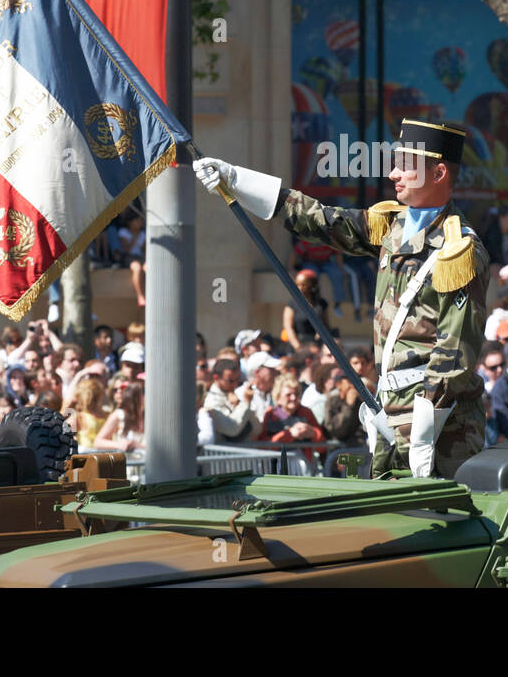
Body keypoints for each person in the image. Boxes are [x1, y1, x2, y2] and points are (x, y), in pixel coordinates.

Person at [194, 118, 489, 478]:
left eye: (406, 165)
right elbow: (322, 221)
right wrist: (238, 182)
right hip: (390, 408)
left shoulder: (459, 250)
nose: (394, 173)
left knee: (440, 522)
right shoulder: (392, 226)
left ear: (439, 173)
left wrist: (426, 426)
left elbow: (456, 350)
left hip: (441, 421)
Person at [202, 359, 260, 443]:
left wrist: (239, 404)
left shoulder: (235, 394)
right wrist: (245, 402)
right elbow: (232, 429)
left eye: (237, 380)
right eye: (230, 381)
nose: (235, 384)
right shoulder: (211, 401)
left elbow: (257, 429)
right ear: (216, 378)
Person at [283, 269, 330, 349]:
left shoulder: (321, 303)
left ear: (311, 284)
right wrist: (298, 347)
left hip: (316, 345)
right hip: (298, 344)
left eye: (303, 284)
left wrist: (318, 339)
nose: (300, 288)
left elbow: (326, 324)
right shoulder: (291, 304)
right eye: (297, 284)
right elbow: (288, 328)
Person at [93, 380, 144, 453]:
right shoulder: (119, 415)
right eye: (143, 392)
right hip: (126, 462)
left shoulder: (150, 417)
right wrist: (119, 444)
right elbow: (98, 442)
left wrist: (137, 445)